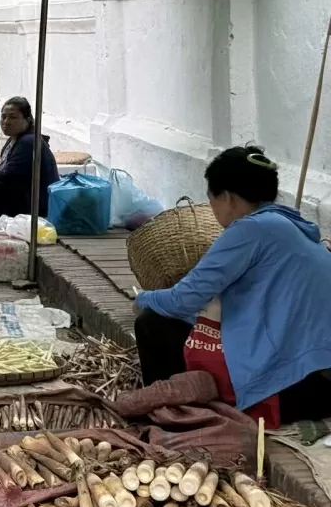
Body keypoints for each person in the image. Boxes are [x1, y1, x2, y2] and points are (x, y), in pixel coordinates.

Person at [133, 147, 331, 424]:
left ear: (226, 197)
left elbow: (182, 300)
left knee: (152, 324)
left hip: (293, 388)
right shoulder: (293, 225)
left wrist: (143, 297)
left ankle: (175, 419)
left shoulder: (250, 230)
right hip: (318, 382)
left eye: (211, 198)